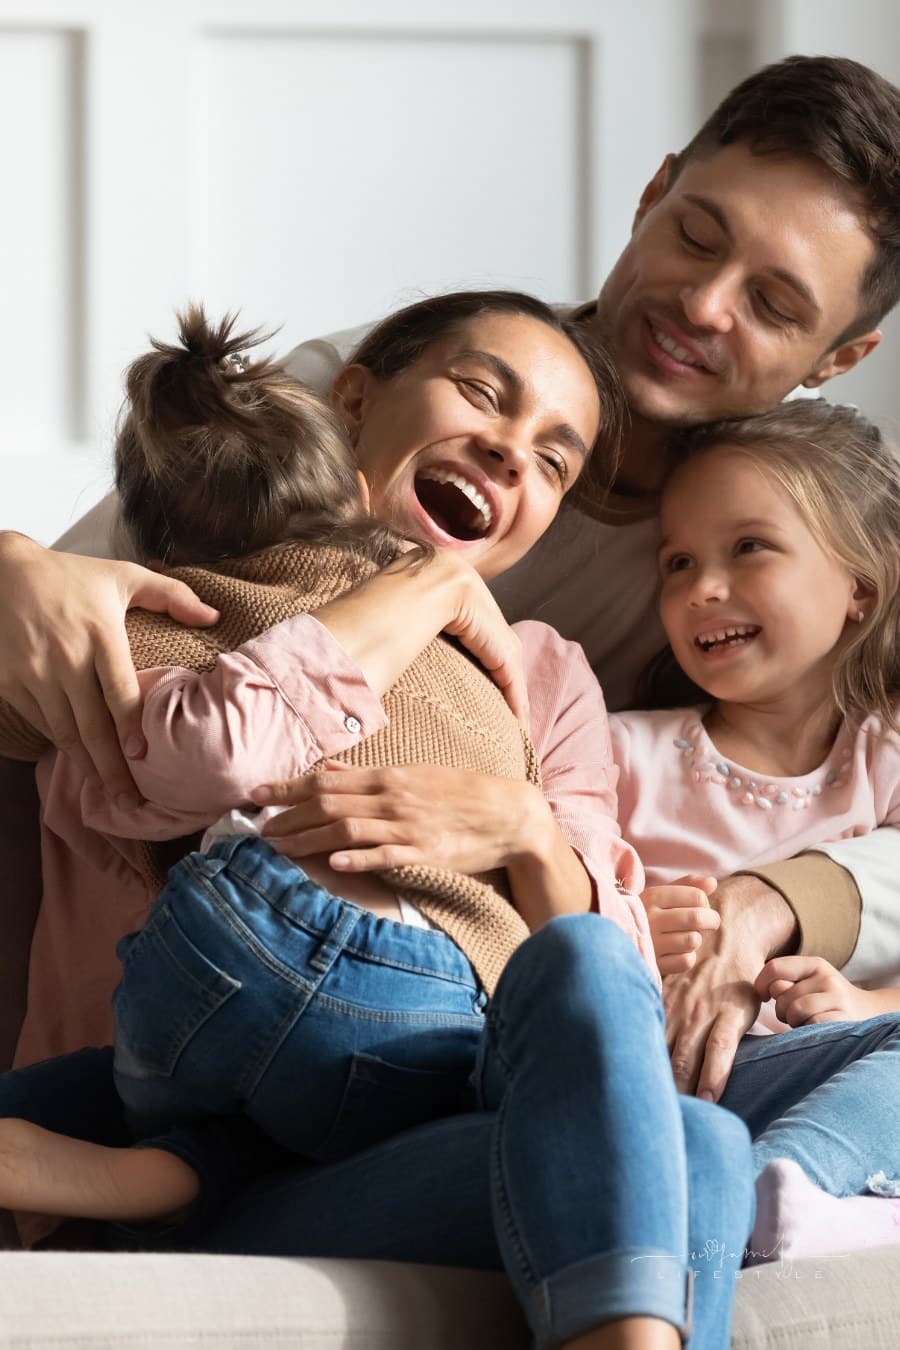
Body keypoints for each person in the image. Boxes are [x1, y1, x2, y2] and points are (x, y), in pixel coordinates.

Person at [4, 54, 900, 1098]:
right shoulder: (380, 394)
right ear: (651, 196)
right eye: (696, 236)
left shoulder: (779, 550)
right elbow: (86, 618)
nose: (703, 304)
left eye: (775, 305)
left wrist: (773, 900)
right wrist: (20, 565)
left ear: (839, 359)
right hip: (187, 903)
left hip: (442, 977)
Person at [0, 295, 753, 1350]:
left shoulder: (539, 676)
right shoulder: (162, 604)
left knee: (697, 1135)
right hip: (174, 1141)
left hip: (428, 1123)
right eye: (483, 394)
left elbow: (618, 1008)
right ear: (354, 397)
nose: (507, 454)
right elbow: (178, 749)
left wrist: (525, 832)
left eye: (553, 461)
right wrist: (12, 558)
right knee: (687, 1160)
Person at [610, 398, 900, 1263]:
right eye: (677, 561)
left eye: (749, 547)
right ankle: (783, 1190)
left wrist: (868, 1006)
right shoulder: (625, 753)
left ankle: (794, 1190)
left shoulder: (887, 757)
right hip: (686, 1079)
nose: (701, 586)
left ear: (862, 584)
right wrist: (635, 928)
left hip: (843, 1071)